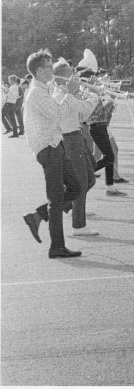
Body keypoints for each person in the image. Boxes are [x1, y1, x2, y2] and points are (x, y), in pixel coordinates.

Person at [22, 49, 83, 259]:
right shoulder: (37, 92)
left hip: (55, 145)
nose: (52, 70)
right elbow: (57, 114)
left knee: (76, 187)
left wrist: (66, 90)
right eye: (49, 67)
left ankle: (38, 216)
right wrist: (70, 92)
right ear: (39, 71)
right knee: (56, 199)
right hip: (48, 148)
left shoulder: (43, 88)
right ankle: (56, 246)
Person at [52, 59, 100, 236]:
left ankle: (69, 205)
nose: (75, 77)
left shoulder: (66, 93)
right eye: (71, 75)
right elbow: (85, 111)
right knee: (81, 183)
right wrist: (95, 94)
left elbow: (81, 115)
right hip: (70, 139)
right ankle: (78, 226)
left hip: (75, 137)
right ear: (64, 78)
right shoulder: (62, 95)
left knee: (90, 179)